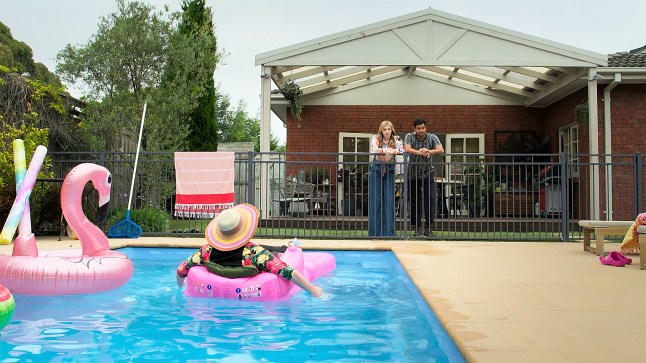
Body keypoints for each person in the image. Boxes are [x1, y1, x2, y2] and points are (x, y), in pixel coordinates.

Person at [175, 203, 323, 297]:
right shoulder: (255, 253)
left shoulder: (206, 252)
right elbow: (288, 272)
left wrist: (180, 290)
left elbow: (181, 270)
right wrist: (313, 290)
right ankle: (286, 248)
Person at [404, 118, 444, 237]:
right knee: (414, 200)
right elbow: (407, 148)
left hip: (428, 172)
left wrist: (428, 151)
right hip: (413, 173)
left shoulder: (432, 137)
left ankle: (428, 228)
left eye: (423, 128)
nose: (421, 130)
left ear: (425, 128)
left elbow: (441, 149)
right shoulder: (409, 136)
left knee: (430, 199)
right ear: (414, 129)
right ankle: (417, 228)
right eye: (418, 128)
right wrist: (420, 152)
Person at [368, 120, 404, 237]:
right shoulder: (376, 138)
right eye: (384, 129)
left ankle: (389, 234)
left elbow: (402, 150)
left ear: (392, 130)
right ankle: (374, 234)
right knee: (375, 201)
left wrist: (392, 150)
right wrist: (386, 150)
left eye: (389, 129)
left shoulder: (397, 139)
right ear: (381, 131)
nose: (387, 131)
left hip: (390, 170)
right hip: (376, 169)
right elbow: (373, 149)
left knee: (389, 201)